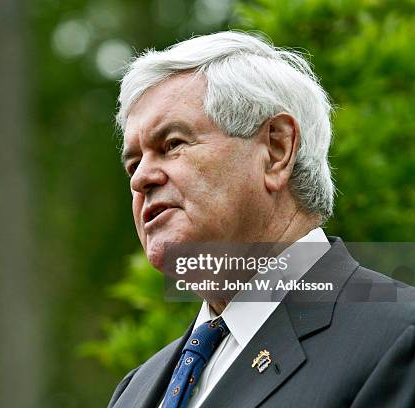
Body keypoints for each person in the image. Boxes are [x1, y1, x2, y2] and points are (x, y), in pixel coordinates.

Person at [108, 31, 415, 408]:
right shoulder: (136, 390)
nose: (141, 178)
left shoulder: (398, 340)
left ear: (276, 149)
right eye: (134, 163)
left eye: (172, 144)